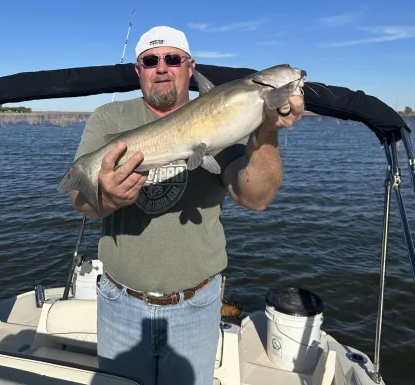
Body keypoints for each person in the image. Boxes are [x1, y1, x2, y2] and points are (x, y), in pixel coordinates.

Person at [69, 26, 304, 385]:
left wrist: (268, 130)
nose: (162, 67)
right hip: (119, 302)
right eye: (151, 60)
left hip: (195, 307)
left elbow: (256, 198)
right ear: (138, 70)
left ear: (190, 67)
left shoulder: (226, 118)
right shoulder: (109, 118)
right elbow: (79, 200)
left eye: (173, 59)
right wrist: (106, 199)